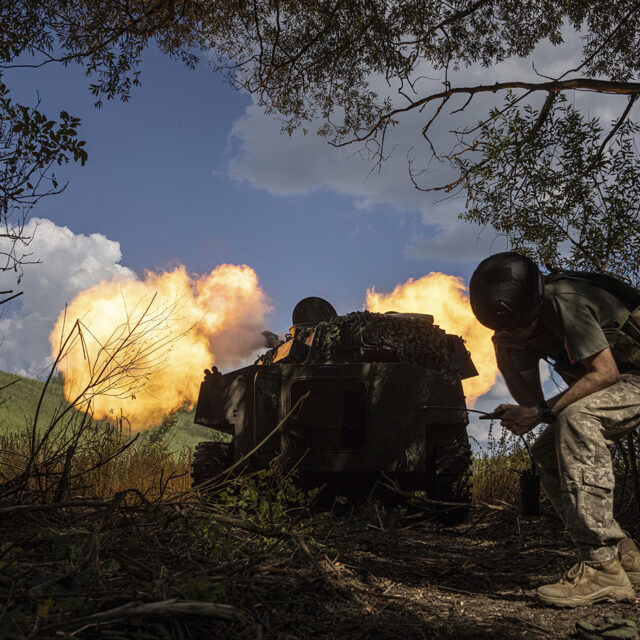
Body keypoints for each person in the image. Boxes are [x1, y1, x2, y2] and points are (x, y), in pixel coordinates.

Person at [469, 252, 640, 607]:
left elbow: (605, 374)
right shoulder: (513, 325)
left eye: (522, 325)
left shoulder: (565, 301)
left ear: (534, 300)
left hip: (631, 377)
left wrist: (542, 410)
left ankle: (600, 566)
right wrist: (508, 355)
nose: (516, 330)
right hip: (622, 382)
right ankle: (625, 556)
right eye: (507, 327)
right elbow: (532, 399)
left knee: (577, 419)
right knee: (547, 448)